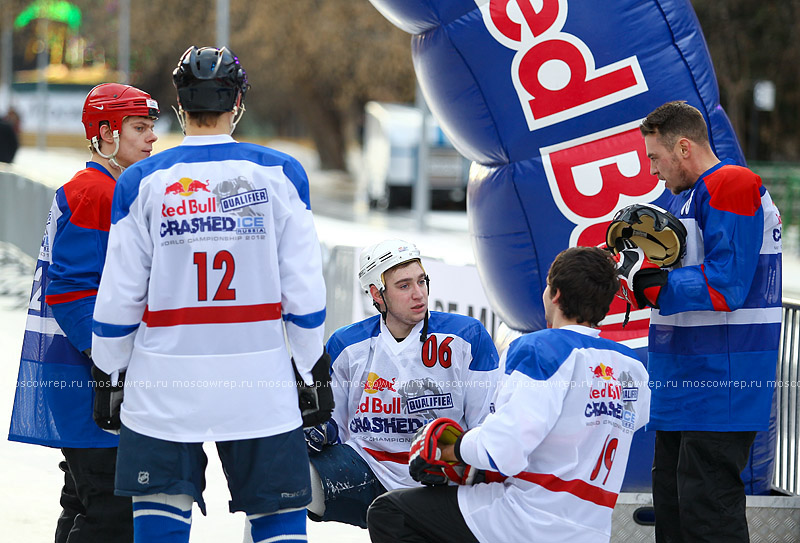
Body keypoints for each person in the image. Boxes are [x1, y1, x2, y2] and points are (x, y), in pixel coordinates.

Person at [90, 46, 330, 543]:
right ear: (237, 102)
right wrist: (310, 367)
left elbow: (118, 300)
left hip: (164, 383)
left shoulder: (142, 180)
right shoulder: (282, 175)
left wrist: (109, 372)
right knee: (279, 523)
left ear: (179, 106)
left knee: (160, 524)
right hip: (260, 382)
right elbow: (305, 298)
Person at [366, 246, 651, 543]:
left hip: (528, 518)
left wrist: (453, 447)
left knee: (390, 513)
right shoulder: (631, 366)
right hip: (592, 527)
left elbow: (504, 451)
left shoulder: (540, 349)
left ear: (555, 294)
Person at [614, 100, 782, 542]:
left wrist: (654, 285)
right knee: (674, 516)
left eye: (655, 157)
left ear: (684, 147)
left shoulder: (731, 182)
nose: (652, 170)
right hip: (686, 383)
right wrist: (630, 274)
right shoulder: (685, 196)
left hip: (723, 382)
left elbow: (728, 284)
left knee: (707, 519)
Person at [8, 83, 159, 542]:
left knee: (82, 501)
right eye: (139, 127)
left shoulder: (102, 187)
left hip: (81, 382)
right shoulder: (97, 192)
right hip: (91, 385)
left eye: (151, 126)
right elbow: (72, 291)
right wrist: (110, 366)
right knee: (112, 515)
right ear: (105, 134)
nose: (151, 138)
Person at [296, 239, 500, 530]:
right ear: (377, 295)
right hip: (367, 471)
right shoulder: (346, 344)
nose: (419, 294)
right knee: (282, 476)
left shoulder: (467, 337)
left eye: (422, 281)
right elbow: (332, 425)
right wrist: (312, 428)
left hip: (441, 480)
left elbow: (486, 427)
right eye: (404, 286)